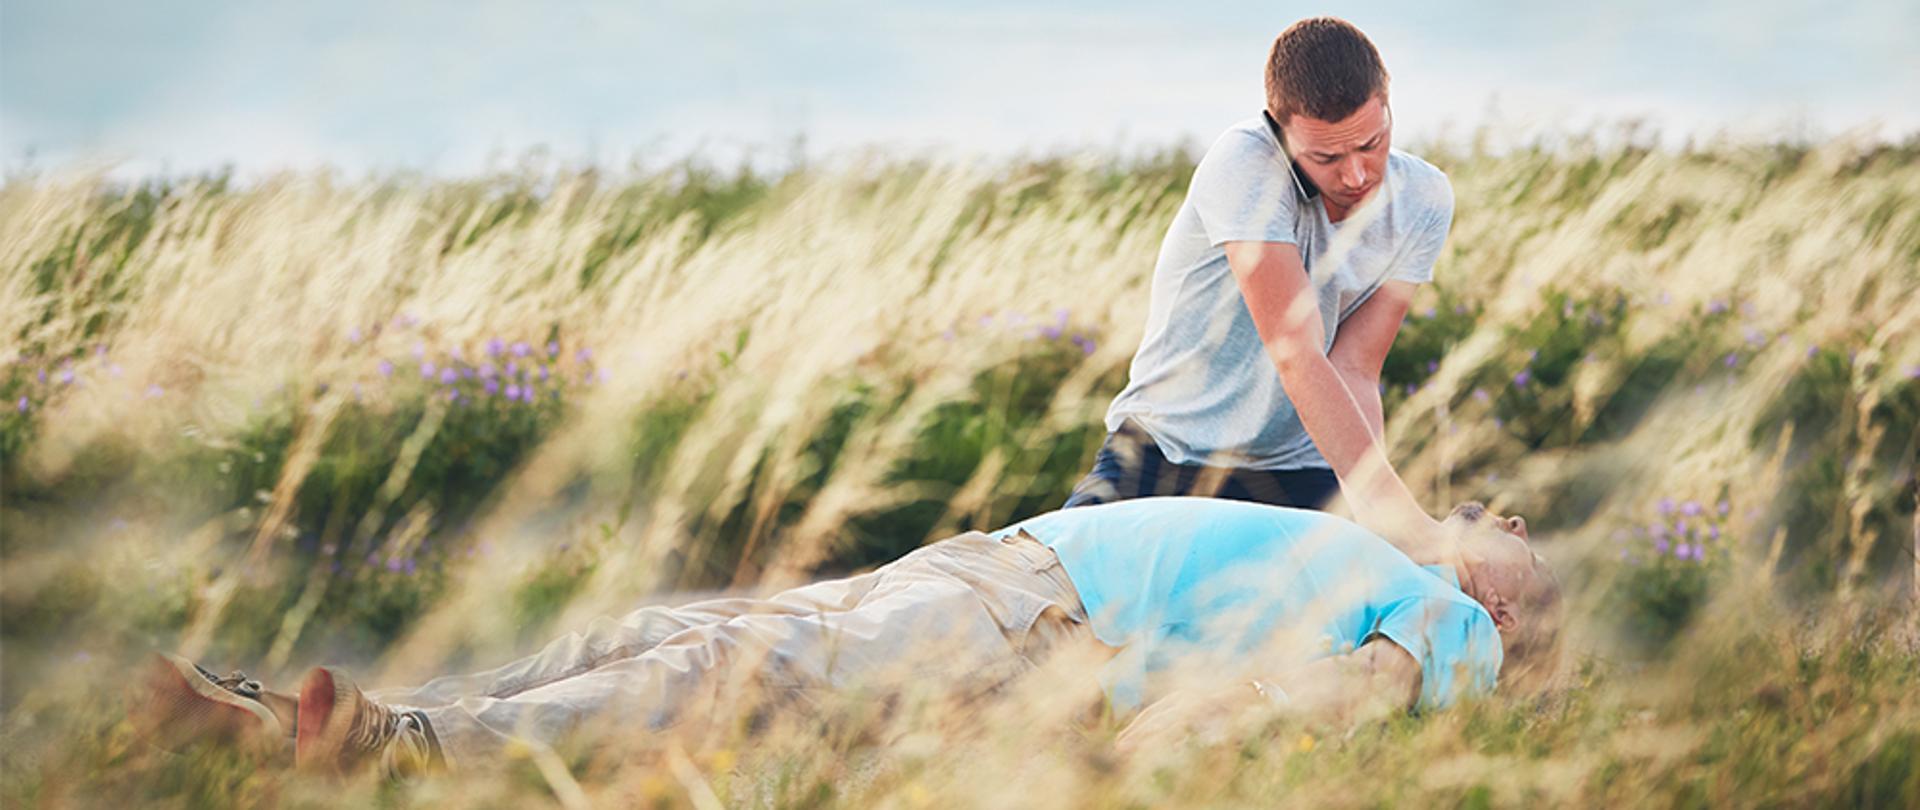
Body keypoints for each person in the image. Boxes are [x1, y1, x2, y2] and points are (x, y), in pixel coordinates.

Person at [139, 498, 1558, 776]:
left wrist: (1143, 729)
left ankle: (393, 744)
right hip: (999, 564)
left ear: (1504, 603)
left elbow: (1333, 700)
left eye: (1511, 532)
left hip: (1037, 611)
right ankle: (332, 718)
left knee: (712, 669)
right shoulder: (1381, 551)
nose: (1486, 509)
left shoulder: (1451, 624)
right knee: (660, 627)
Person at [1066, 17, 1458, 565]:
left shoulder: (1425, 199)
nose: (1355, 175)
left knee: (1342, 633)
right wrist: (1411, 524)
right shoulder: (1244, 163)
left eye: (1371, 144)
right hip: (1166, 451)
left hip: (1299, 470)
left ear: (1387, 102)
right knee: (1055, 610)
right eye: (1326, 157)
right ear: (1278, 127)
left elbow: (1355, 369)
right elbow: (1296, 352)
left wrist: (1383, 520)